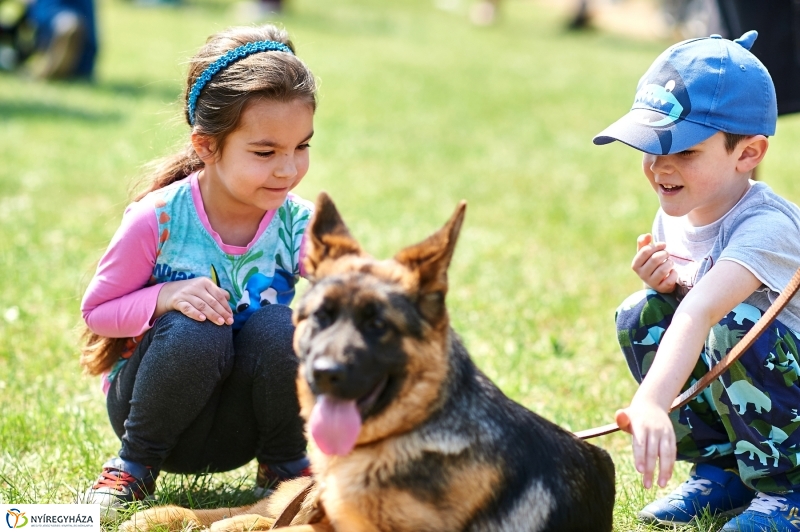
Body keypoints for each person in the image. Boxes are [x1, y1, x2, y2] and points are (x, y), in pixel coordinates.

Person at [78, 24, 317, 518]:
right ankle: (132, 470)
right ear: (207, 146)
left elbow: (353, 293)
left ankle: (286, 467)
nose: (288, 169)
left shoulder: (300, 223)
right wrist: (165, 296)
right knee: (197, 327)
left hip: (244, 428)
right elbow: (98, 311)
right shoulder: (158, 218)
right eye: (266, 151)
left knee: (282, 324)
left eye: (302, 147)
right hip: (158, 418)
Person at [594, 31, 800, 530]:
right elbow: (684, 310)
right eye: (651, 146)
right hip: (750, 387)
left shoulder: (766, 226)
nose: (661, 166)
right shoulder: (681, 209)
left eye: (685, 151)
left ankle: (787, 491)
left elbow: (704, 312)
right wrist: (664, 288)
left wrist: (650, 402)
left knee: (737, 322)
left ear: (748, 153)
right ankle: (725, 470)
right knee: (640, 314)